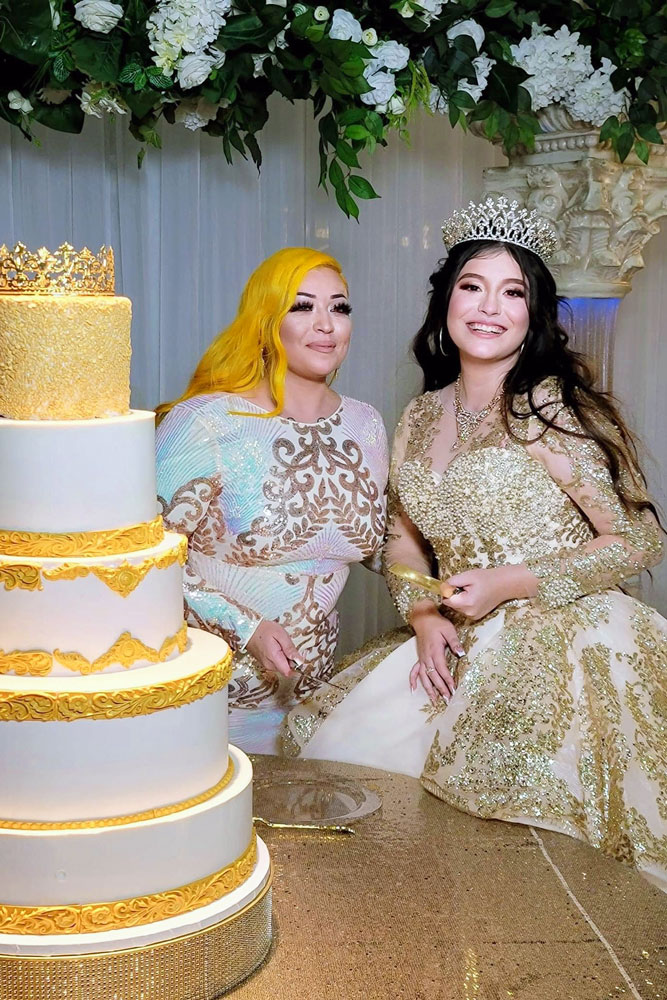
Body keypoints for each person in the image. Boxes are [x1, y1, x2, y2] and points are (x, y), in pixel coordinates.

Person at [284, 198, 667, 891]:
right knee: (370, 810)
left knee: (529, 848)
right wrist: (426, 617)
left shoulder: (552, 410)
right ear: (446, 302)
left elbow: (637, 540)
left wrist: (509, 581)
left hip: (564, 642)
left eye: (512, 292)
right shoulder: (419, 413)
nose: (489, 307)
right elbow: (399, 542)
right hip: (453, 640)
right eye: (472, 286)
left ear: (534, 313)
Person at [155, 247, 388, 753]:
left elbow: (376, 542)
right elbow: (149, 562)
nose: (325, 324)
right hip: (216, 698)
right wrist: (249, 627)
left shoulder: (366, 423)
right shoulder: (205, 422)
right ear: (266, 322)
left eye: (340, 307)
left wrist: (443, 588)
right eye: (302, 307)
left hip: (314, 700)